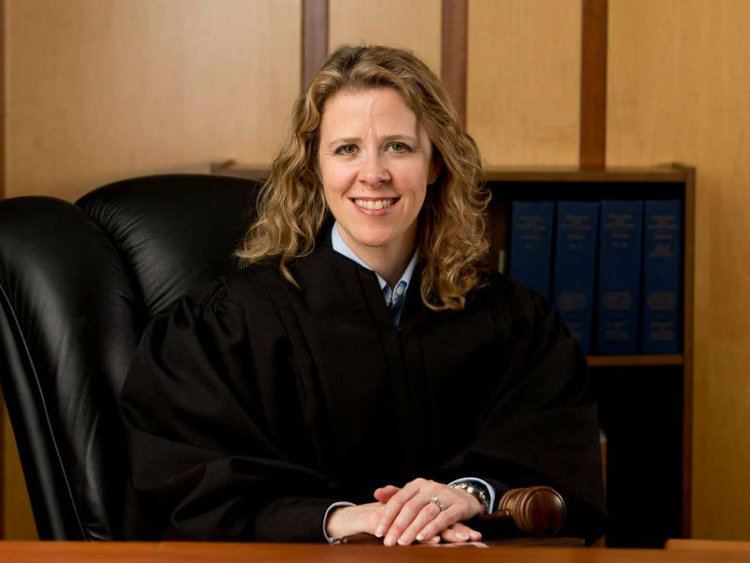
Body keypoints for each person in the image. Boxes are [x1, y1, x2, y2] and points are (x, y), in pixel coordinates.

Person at [120, 44, 606, 545]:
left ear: (435, 163)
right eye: (346, 149)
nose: (373, 174)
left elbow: (560, 470)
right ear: (315, 167)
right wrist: (339, 519)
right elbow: (181, 486)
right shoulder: (226, 326)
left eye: (398, 146)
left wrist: (472, 493)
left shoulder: (513, 320)